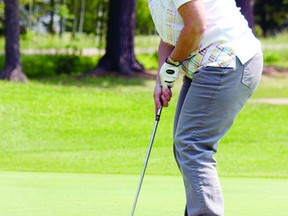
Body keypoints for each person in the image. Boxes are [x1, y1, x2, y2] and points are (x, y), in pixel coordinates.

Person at [148, 0, 263, 215]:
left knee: (192, 144)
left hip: (228, 60)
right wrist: (161, 79)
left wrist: (172, 65)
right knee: (184, 145)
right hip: (204, 64)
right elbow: (168, 36)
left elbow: (197, 26)